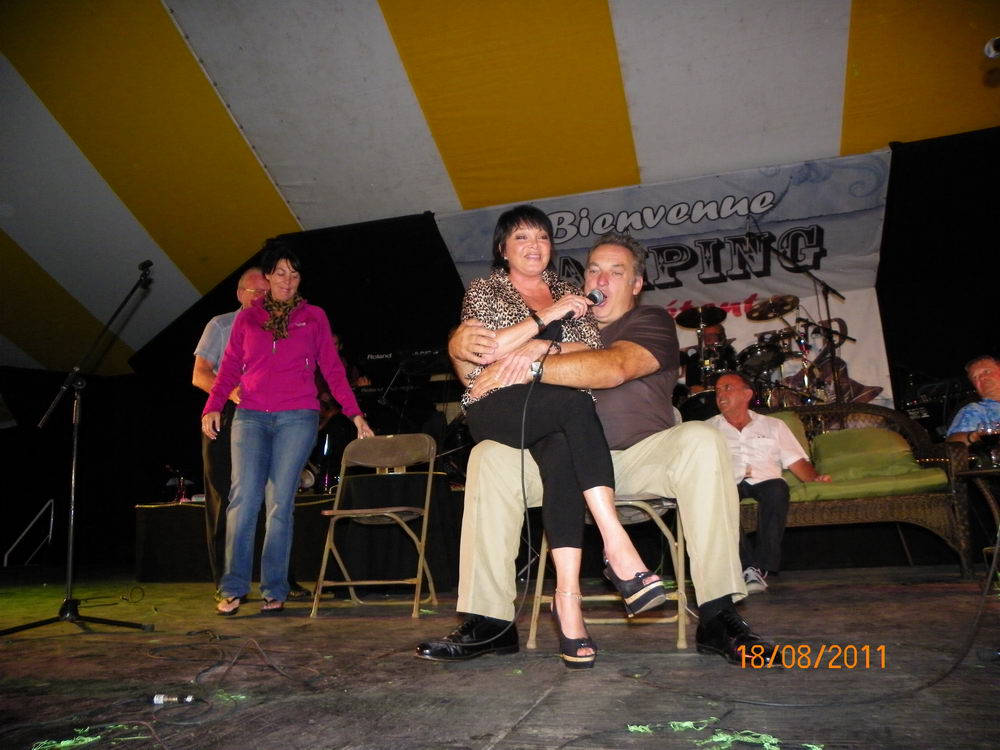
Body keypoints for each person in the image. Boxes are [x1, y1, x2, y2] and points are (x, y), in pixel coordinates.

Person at [417, 231, 776, 666]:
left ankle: (718, 615)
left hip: (639, 460)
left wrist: (531, 361)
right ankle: (490, 621)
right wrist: (458, 346)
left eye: (616, 272)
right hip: (558, 466)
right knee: (488, 456)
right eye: (593, 270)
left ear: (637, 284)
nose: (601, 280)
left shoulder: (650, 321)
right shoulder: (560, 321)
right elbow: (480, 375)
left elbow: (613, 367)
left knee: (702, 439)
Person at [440, 206, 668, 669]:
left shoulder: (567, 290)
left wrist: (540, 345)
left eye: (542, 237)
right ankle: (617, 545)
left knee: (563, 448)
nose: (534, 246)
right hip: (495, 403)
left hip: (550, 404)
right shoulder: (484, 290)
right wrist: (547, 316)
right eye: (521, 237)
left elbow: (592, 348)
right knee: (575, 405)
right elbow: (485, 351)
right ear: (503, 249)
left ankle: (567, 603)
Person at [202, 239, 373, 616]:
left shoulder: (314, 317)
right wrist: (212, 406)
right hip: (250, 415)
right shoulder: (247, 319)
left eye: (294, 274)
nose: (288, 280)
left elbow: (333, 369)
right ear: (267, 277)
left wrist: (355, 414)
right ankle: (233, 587)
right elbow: (228, 368)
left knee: (279, 502)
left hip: (297, 417)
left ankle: (274, 588)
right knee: (243, 498)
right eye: (280, 273)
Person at [706, 372, 831, 593]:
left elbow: (795, 460)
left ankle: (763, 565)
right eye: (717, 391)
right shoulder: (707, 429)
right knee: (719, 496)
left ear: (747, 394)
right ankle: (748, 568)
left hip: (765, 480)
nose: (720, 395)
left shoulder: (774, 425)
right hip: (728, 480)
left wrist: (815, 478)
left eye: (727, 388)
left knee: (778, 488)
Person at [193, 267, 268, 589]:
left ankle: (276, 577)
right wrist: (231, 392)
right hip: (227, 412)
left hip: (269, 414)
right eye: (256, 292)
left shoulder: (280, 326)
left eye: (267, 293)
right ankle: (227, 581)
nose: (262, 298)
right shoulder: (221, 325)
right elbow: (199, 374)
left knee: (272, 496)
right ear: (240, 294)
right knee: (225, 496)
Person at [945, 355, 1000, 445]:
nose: (981, 378)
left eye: (986, 371)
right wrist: (974, 436)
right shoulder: (975, 410)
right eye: (975, 377)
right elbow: (952, 443)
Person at [684, 323, 738, 394]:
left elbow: (736, 378)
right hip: (705, 396)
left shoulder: (729, 354)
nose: (708, 338)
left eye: (712, 335)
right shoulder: (695, 358)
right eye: (705, 335)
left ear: (721, 336)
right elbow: (691, 385)